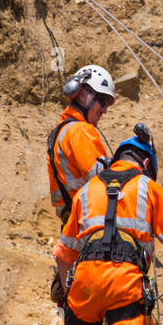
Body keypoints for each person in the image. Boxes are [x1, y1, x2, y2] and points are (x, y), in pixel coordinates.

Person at [53, 125, 163, 325]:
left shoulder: (87, 190)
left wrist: (71, 295)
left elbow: (63, 256)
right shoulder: (150, 188)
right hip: (124, 284)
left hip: (85, 282)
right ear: (146, 165)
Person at [46, 65, 115, 304]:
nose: (105, 110)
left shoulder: (62, 131)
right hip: (89, 226)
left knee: (75, 296)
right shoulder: (81, 132)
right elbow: (105, 182)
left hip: (73, 223)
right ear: (85, 95)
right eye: (102, 101)